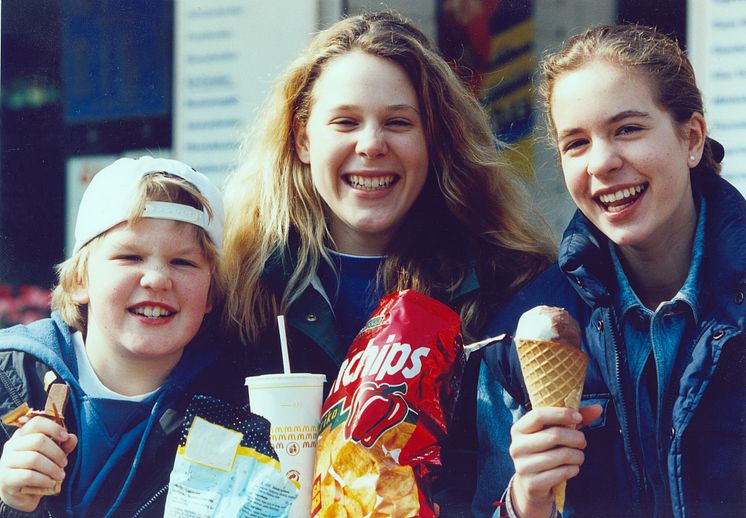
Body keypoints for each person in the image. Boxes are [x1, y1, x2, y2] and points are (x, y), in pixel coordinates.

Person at [221, 10, 556, 512]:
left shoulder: (505, 286)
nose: (372, 144)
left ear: (433, 139)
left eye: (398, 122)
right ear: (303, 138)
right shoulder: (240, 290)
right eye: (346, 122)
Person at [474, 24, 746, 517]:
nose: (601, 162)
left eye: (627, 129)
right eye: (575, 143)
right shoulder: (519, 338)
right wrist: (523, 502)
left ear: (691, 138)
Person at [0, 156, 233, 517]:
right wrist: (9, 501)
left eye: (182, 262)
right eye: (130, 256)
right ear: (79, 281)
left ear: (211, 296)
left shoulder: (233, 409)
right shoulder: (9, 378)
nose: (156, 279)